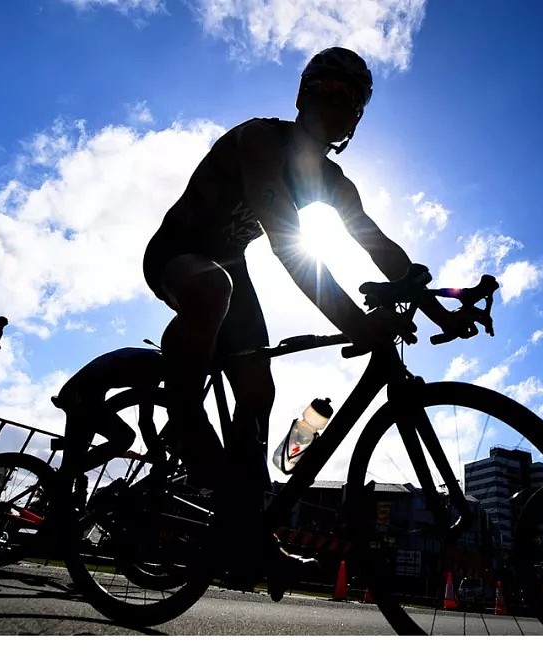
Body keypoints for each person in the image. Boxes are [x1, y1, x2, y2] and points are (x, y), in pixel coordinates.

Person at [141, 46, 466, 589]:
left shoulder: (335, 184)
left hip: (228, 270)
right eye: (325, 90)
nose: (334, 104)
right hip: (180, 252)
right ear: (302, 95)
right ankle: (180, 410)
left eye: (350, 100)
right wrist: (352, 321)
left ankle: (247, 537)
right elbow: (286, 242)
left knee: (258, 391)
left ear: (356, 118)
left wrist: (435, 304)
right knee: (211, 288)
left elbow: (379, 245)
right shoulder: (261, 139)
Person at [50, 346, 166, 506]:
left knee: (75, 456)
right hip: (82, 395)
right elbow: (145, 420)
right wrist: (159, 456)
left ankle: (59, 511)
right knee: (124, 437)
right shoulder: (153, 365)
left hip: (80, 392)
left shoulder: (150, 358)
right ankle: (67, 477)